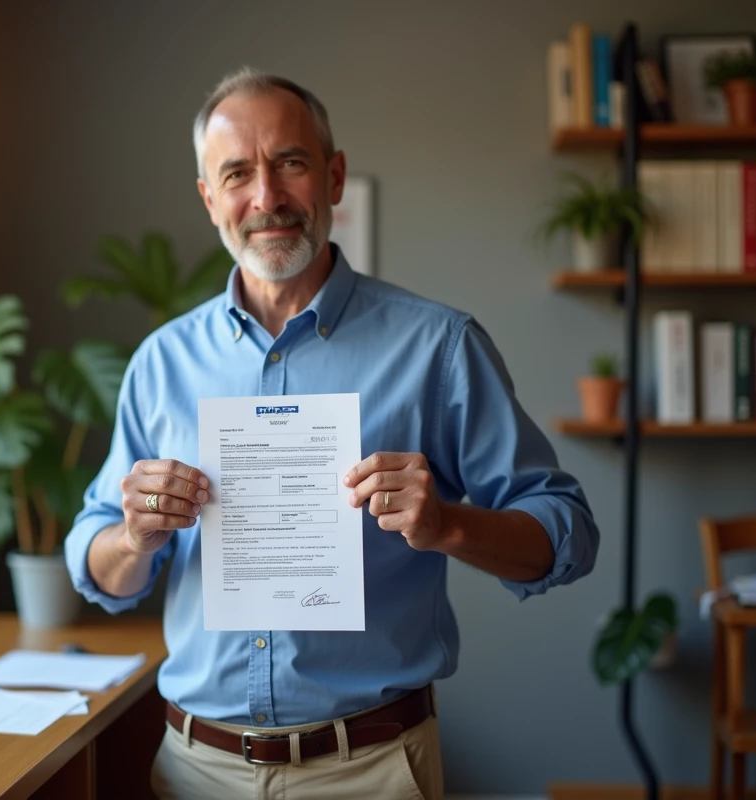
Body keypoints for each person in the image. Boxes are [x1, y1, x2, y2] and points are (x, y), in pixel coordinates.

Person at [63, 67, 600, 800]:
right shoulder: (161, 362)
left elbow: (566, 533)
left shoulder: (438, 346)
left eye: (290, 163)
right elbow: (95, 565)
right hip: (196, 770)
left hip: (372, 771)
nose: (267, 198)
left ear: (334, 176)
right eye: (237, 173)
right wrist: (132, 538)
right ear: (209, 198)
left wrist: (445, 524)